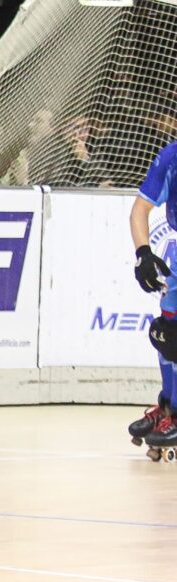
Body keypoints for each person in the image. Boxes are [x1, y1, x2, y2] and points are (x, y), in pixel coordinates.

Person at [128, 141, 177, 455]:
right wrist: (143, 255)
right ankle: (169, 406)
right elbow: (140, 210)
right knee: (165, 333)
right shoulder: (171, 156)